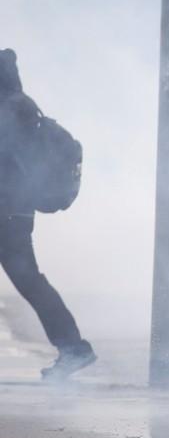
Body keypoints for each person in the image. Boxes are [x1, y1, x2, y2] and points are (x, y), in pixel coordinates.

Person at [0, 48, 96, 380]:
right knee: (31, 282)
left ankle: (73, 348)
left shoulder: (9, 109)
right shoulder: (22, 105)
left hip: (7, 212)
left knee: (30, 282)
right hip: (16, 211)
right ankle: (73, 348)